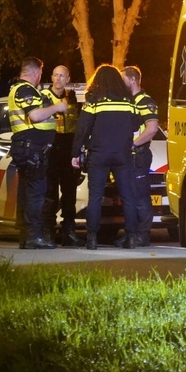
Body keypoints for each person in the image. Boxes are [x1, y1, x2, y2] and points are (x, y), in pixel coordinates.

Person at [70, 64, 139, 250]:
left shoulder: (94, 99)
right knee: (128, 197)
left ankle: (91, 239)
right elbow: (135, 125)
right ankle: (131, 238)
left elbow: (83, 128)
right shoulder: (128, 100)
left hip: (99, 154)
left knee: (95, 197)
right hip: (123, 155)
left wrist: (75, 152)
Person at [8, 57, 69, 250]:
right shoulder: (25, 89)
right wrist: (57, 107)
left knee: (28, 193)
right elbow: (35, 116)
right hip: (31, 148)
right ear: (36, 73)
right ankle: (34, 237)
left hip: (28, 147)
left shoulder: (18, 89)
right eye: (40, 74)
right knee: (36, 193)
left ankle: (27, 237)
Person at [41, 65, 81, 246]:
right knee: (50, 194)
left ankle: (69, 232)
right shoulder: (44, 97)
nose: (58, 79)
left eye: (62, 76)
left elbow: (78, 123)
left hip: (68, 148)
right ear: (51, 77)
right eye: (55, 75)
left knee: (69, 193)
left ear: (68, 78)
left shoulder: (72, 97)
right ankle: (48, 231)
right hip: (51, 147)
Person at [122, 65, 159, 248]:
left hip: (139, 155)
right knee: (130, 197)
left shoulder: (145, 101)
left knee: (141, 197)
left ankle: (142, 236)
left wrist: (133, 144)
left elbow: (152, 129)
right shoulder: (129, 101)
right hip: (129, 156)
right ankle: (132, 234)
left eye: (123, 80)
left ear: (133, 79)